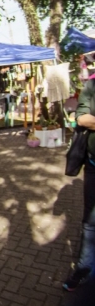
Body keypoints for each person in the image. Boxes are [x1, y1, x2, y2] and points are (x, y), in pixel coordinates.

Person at [65, 74, 95, 291]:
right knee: (91, 221)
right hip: (93, 164)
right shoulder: (91, 85)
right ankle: (85, 268)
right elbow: (81, 117)